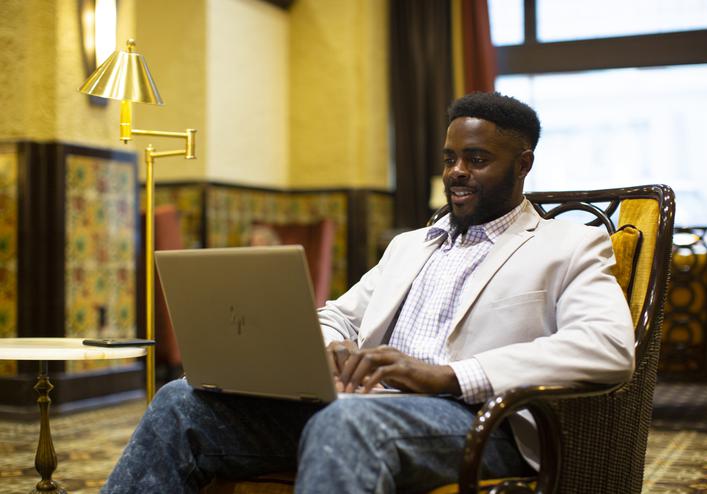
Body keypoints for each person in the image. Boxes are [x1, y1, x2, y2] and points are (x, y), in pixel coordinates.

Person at [102, 92, 634, 493]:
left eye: (476, 159)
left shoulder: (569, 243)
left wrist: (450, 376)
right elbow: (336, 315)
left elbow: (609, 347)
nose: (456, 173)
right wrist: (330, 346)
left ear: (523, 164)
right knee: (181, 400)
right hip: (359, 406)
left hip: (481, 423)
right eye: (449, 158)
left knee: (347, 421)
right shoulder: (410, 245)